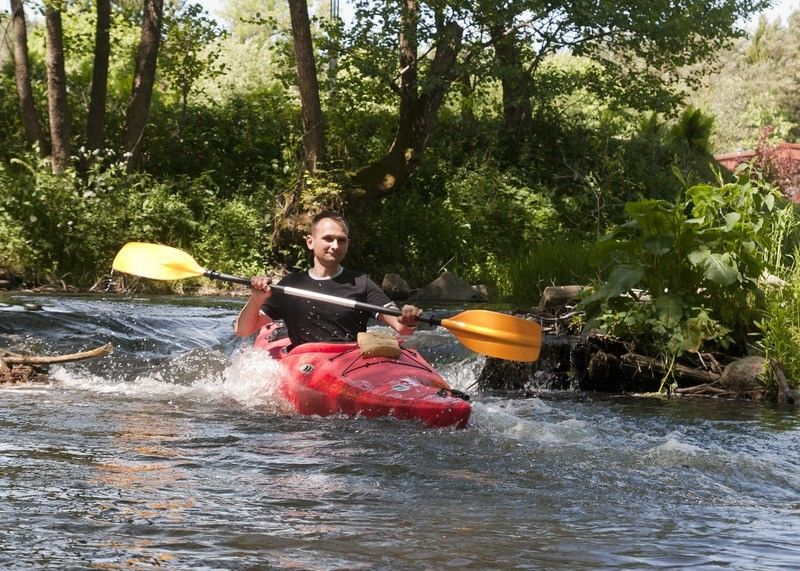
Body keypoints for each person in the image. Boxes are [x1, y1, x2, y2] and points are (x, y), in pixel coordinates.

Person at [234, 211, 422, 347]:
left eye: (341, 240)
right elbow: (243, 330)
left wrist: (409, 320)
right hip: (306, 362)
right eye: (328, 238)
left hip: (349, 362)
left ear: (348, 244)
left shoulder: (362, 283)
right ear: (310, 242)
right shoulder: (290, 285)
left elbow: (402, 328)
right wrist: (256, 299)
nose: (335, 246)